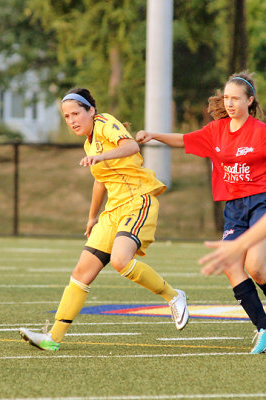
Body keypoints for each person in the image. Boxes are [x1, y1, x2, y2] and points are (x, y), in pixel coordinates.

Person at [19, 88, 189, 351]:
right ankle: (53, 338)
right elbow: (101, 181)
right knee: (80, 273)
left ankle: (174, 295)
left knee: (121, 261)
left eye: (76, 113)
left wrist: (101, 156)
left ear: (91, 111)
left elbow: (130, 145)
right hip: (113, 211)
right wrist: (92, 217)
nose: (72, 119)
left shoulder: (106, 123)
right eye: (66, 116)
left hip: (137, 200)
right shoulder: (89, 142)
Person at [136, 71, 266, 354]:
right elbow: (183, 140)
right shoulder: (216, 130)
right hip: (234, 208)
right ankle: (263, 329)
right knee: (231, 266)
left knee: (256, 267)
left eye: (236, 99)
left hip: (261, 204)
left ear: (250, 100)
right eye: (226, 98)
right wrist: (154, 135)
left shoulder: (261, 132)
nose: (229, 103)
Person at [199, 213, 266, 276]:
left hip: (259, 203)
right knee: (230, 266)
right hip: (233, 206)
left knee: (256, 267)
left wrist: (240, 245)